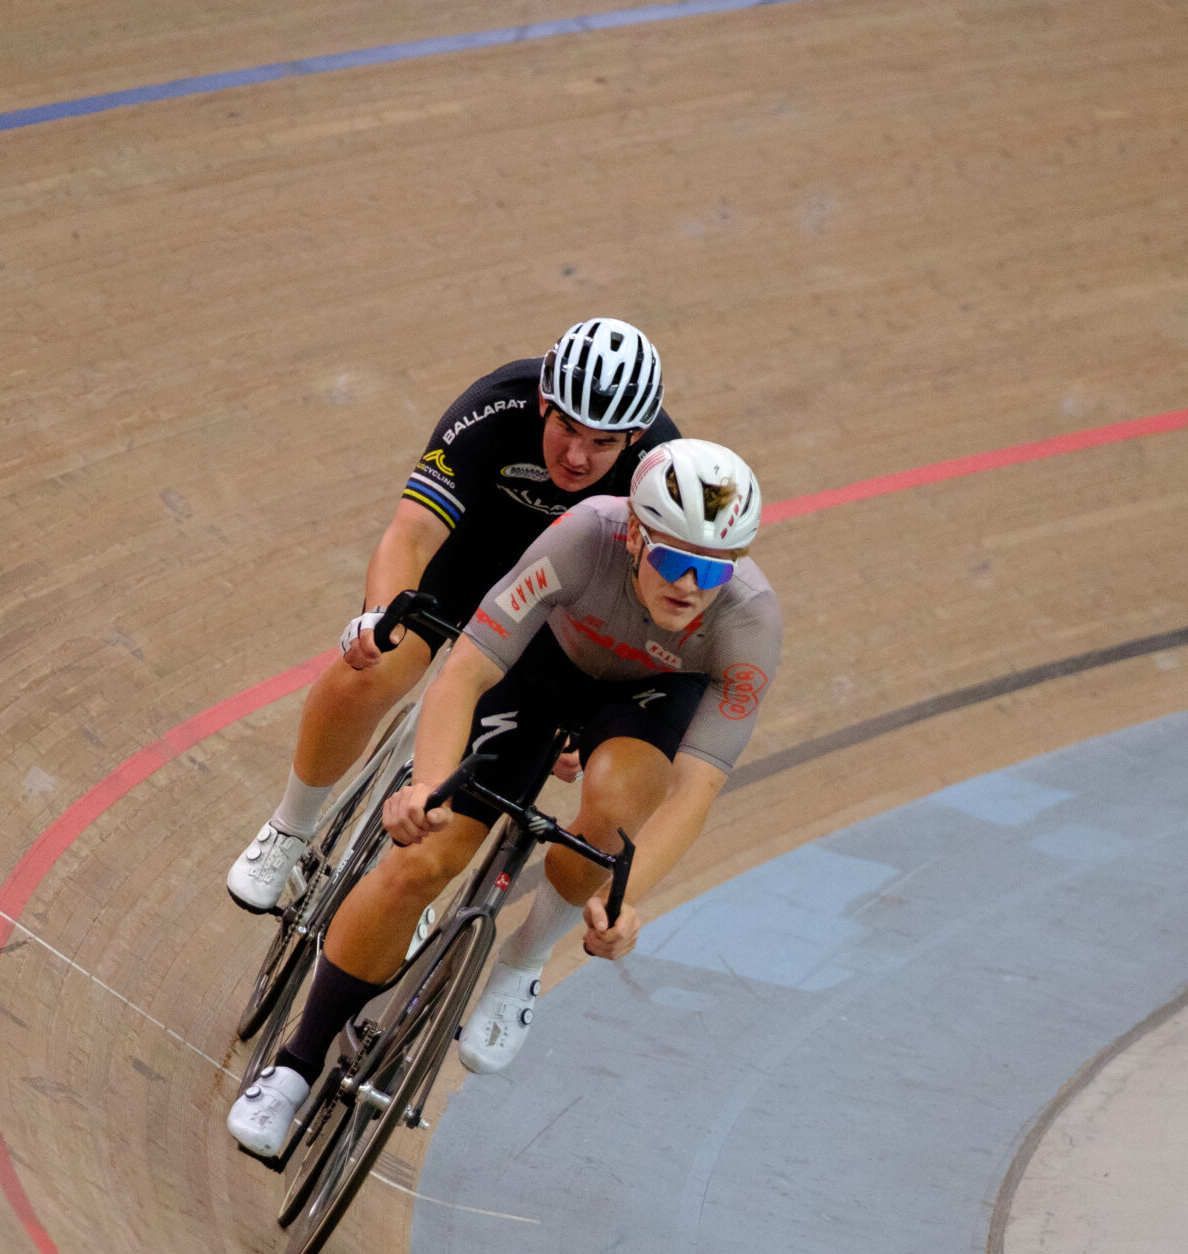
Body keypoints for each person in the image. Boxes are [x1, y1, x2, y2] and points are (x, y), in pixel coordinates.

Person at [228, 438, 779, 1159]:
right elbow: (465, 673)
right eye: (676, 562)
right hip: (544, 665)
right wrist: (426, 788)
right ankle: (296, 1065)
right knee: (418, 865)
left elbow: (694, 791)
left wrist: (622, 903)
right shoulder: (585, 535)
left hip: (649, 701)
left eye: (714, 570)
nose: (691, 587)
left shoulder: (749, 622)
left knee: (615, 808)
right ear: (635, 535)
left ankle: (523, 961)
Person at [224, 317, 680, 912]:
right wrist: (380, 617)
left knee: (505, 734)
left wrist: (584, 717)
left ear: (636, 436)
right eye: (566, 427)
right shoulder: (497, 405)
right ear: (544, 401)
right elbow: (412, 534)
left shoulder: (663, 471)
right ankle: (290, 826)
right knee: (374, 666)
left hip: (561, 597)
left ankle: (402, 882)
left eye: (602, 443)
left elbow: (640, 604)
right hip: (468, 554)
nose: (576, 455)